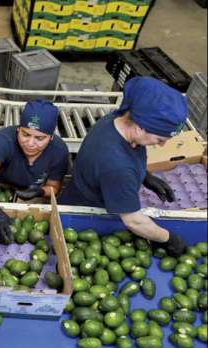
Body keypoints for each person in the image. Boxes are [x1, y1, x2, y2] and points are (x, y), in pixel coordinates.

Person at [59, 77, 188, 257]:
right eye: (159, 139)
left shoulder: (115, 120)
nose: (161, 146)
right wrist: (168, 238)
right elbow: (134, 222)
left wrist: (144, 175)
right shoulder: (118, 167)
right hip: (87, 217)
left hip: (81, 192)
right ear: (139, 127)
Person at [0, 100, 70, 244]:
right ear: (19, 129)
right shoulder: (4, 140)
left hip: (28, 191)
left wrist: (39, 192)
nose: (30, 143)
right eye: (25, 134)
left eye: (39, 138)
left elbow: (54, 188)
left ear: (50, 137)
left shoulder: (59, 151)